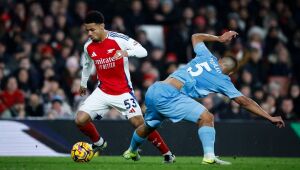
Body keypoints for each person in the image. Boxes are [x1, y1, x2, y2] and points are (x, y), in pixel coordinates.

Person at [123, 31, 285, 164]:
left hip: (155, 88)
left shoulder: (207, 56)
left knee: (149, 126)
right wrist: (269, 116)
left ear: (220, 60)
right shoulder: (223, 80)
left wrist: (220, 38)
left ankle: (131, 151)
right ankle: (209, 156)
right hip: (170, 96)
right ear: (231, 73)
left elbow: (195, 36)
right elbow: (244, 101)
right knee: (207, 117)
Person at [75, 11, 175, 163]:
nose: (89, 33)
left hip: (123, 93)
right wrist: (83, 83)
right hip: (102, 91)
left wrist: (125, 53)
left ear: (102, 26)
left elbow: (143, 51)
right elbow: (88, 65)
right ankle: (99, 143)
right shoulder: (88, 46)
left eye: (92, 29)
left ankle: (167, 154)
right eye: (87, 30)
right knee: (80, 120)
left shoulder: (118, 39)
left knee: (140, 125)